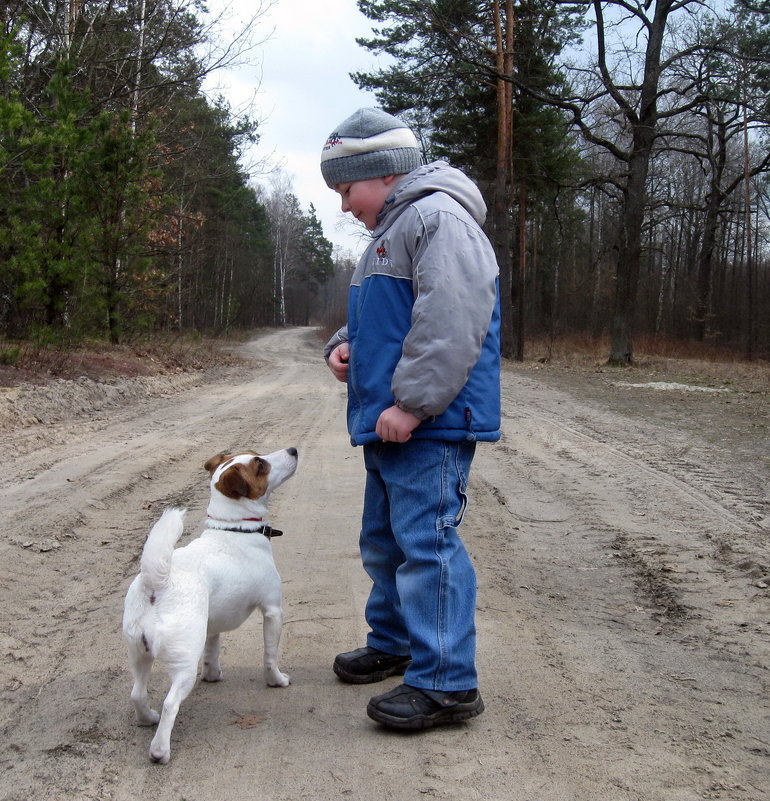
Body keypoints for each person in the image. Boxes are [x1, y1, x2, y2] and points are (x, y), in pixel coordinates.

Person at [321, 107, 501, 730]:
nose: (344, 205)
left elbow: (452, 317)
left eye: (345, 189)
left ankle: (448, 681)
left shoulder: (436, 217)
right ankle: (397, 643)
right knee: (385, 541)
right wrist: (345, 346)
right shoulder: (389, 235)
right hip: (391, 420)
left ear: (380, 172)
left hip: (429, 421)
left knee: (427, 547)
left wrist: (413, 403)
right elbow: (390, 318)